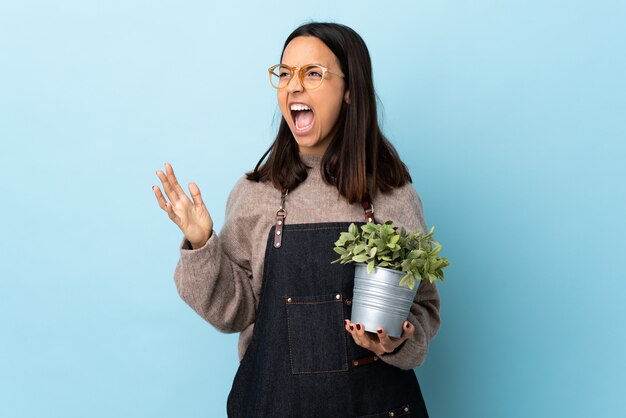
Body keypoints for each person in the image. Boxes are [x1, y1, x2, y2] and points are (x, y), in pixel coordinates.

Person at [153, 22, 440, 417]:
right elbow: (234, 313)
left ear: (350, 92)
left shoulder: (393, 194)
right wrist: (203, 245)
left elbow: (422, 307)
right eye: (285, 73)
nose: (293, 85)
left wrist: (397, 341)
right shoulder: (255, 193)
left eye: (313, 73)